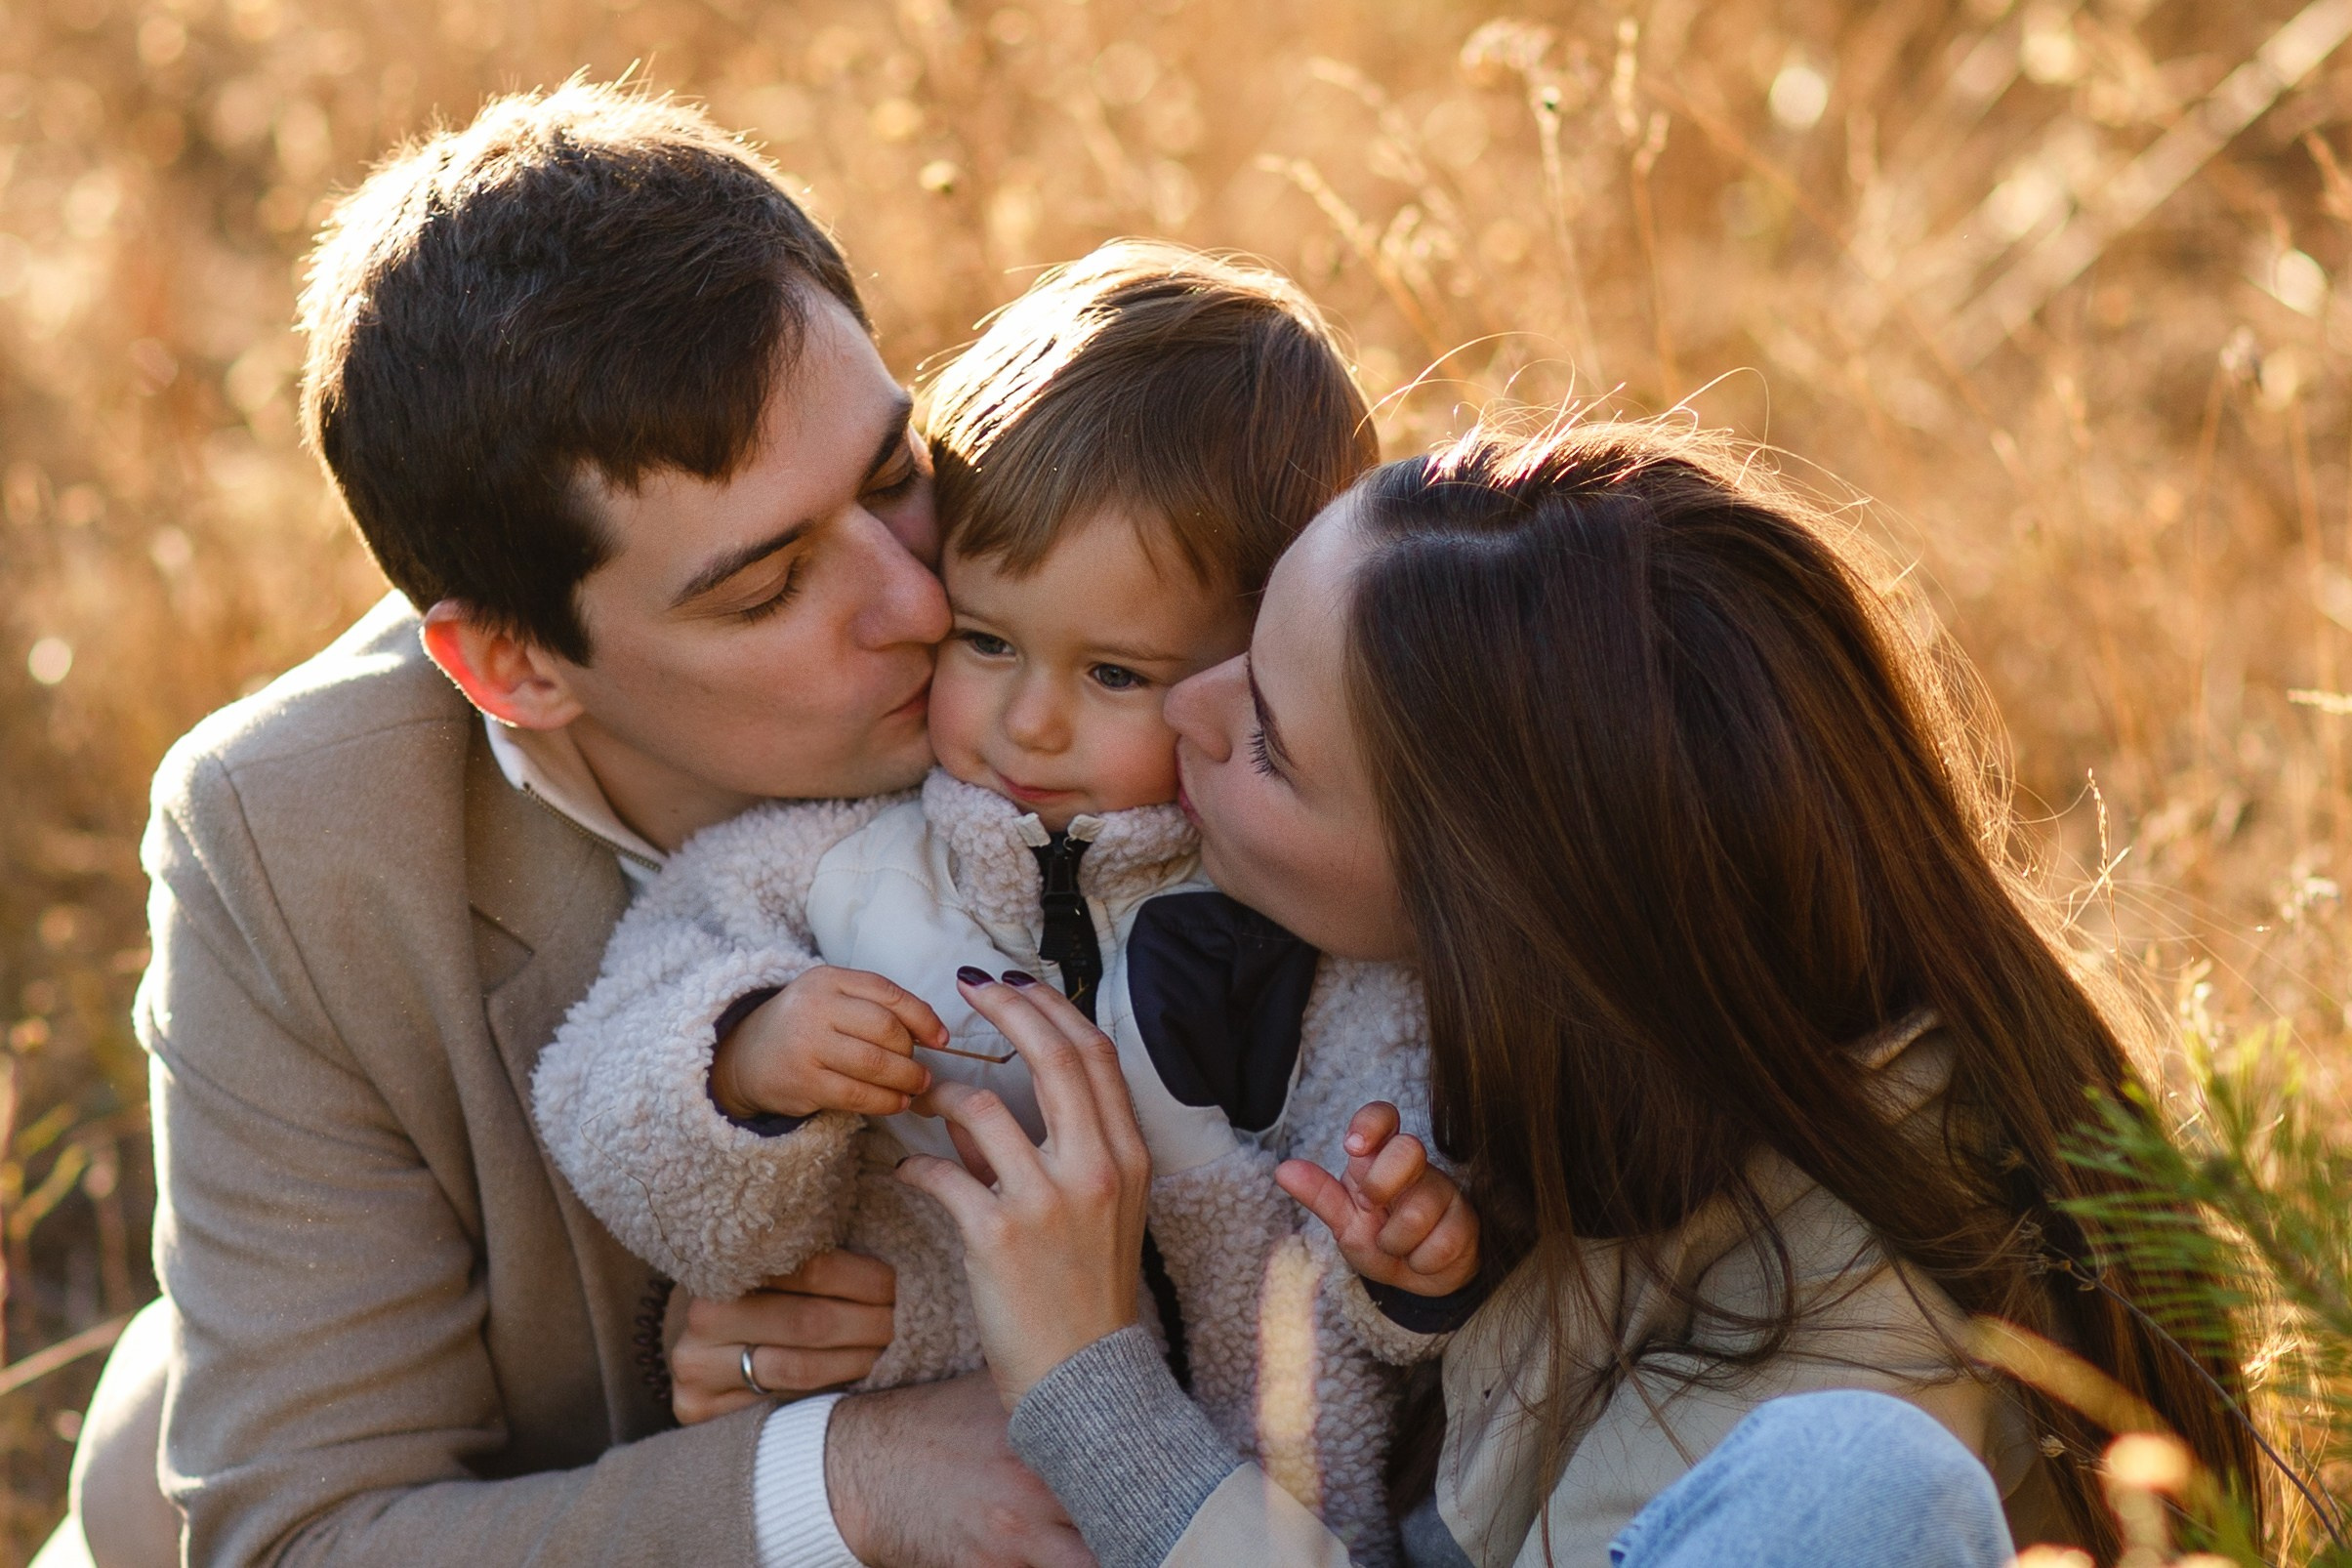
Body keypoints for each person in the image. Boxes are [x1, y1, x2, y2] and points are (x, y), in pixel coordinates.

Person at [879, 423, 2262, 1565]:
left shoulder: (1852, 1404)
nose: (1181, 707)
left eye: (1268, 744)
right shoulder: (1613, 1033)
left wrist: (1084, 1376)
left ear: (1499, 917)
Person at [42, 82, 1094, 1568]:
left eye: (889, 477)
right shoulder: (288, 835)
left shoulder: (1087, 579)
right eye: (763, 587)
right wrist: (837, 1476)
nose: (921, 600)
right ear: (513, 667)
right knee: (146, 1462)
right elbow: (305, 1527)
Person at [531, 239, 1479, 1564]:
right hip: (941, 1498)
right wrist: (746, 1053)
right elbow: (608, 1076)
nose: (1029, 722)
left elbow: (1384, 1195)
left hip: (1252, 1507)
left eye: (1116, 673)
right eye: (986, 640)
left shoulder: (1304, 910)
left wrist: (1414, 1258)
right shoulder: (837, 864)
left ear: (1254, 660)